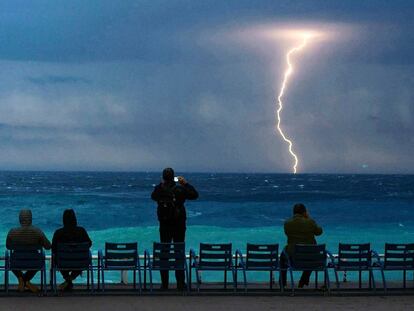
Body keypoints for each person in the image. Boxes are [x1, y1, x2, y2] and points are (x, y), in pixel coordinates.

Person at [151, 167, 199, 290]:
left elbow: (153, 196)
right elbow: (195, 195)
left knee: (164, 253)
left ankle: (165, 284)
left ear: (163, 177)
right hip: (179, 225)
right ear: (174, 177)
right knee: (179, 252)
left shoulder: (159, 189)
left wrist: (162, 185)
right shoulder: (180, 189)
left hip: (164, 225)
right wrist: (185, 183)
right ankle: (180, 283)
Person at [6, 209, 51, 293]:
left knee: (11, 259)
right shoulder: (38, 231)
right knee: (39, 259)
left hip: (16, 263)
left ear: (20, 219)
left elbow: (8, 247)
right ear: (31, 219)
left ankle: (21, 278)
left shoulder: (12, 232)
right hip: (34, 263)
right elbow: (48, 246)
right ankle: (26, 280)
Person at [280, 203, 323, 288]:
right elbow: (319, 232)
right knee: (312, 258)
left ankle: (283, 282)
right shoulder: (310, 222)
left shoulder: (287, 223)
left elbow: (287, 233)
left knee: (282, 258)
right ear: (304, 212)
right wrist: (308, 218)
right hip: (309, 256)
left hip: (293, 256)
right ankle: (303, 280)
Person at [52, 209, 92, 291]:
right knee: (81, 258)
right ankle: (70, 279)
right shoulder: (81, 231)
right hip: (80, 262)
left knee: (58, 257)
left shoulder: (58, 233)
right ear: (74, 218)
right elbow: (89, 244)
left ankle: (67, 280)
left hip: (62, 262)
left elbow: (53, 249)